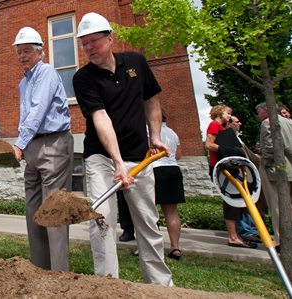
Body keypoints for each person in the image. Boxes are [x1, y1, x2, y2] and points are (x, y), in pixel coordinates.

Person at [72, 12, 173, 286]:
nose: (89, 48)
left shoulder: (136, 62)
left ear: (110, 38)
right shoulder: (83, 78)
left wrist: (156, 136)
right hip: (102, 158)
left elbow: (151, 100)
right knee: (102, 219)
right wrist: (117, 162)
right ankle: (107, 284)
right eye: (84, 44)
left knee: (147, 221)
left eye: (95, 41)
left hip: (139, 156)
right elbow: (101, 118)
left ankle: (161, 285)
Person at [11, 27, 73, 271]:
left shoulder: (46, 72)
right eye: (19, 52)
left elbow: (38, 110)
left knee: (54, 210)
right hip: (33, 147)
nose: (22, 56)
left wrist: (19, 143)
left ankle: (59, 277)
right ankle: (39, 271)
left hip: (54, 143)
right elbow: (26, 115)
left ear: (39, 53)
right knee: (33, 211)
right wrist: (23, 143)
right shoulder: (22, 85)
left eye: (27, 51)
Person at [205, 105, 256, 248]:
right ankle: (233, 237)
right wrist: (232, 150)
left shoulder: (221, 127)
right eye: (228, 113)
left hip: (228, 168)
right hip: (222, 168)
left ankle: (239, 234)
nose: (229, 116)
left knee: (235, 199)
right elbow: (209, 145)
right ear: (220, 113)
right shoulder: (214, 125)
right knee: (230, 199)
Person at [257, 102, 292, 251]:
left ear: (267, 110)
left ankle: (282, 240)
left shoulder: (268, 123)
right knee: (290, 204)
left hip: (276, 170)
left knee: (277, 205)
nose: (258, 115)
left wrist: (264, 162)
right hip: (291, 168)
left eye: (259, 111)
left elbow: (271, 146)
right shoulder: (290, 122)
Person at [152, 107, 185, 260]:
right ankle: (175, 247)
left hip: (155, 170)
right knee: (171, 212)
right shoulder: (173, 133)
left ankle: (151, 247)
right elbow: (177, 155)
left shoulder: (149, 130)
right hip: (173, 170)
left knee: (150, 211)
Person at [226, 116, 261, 243]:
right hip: (237, 174)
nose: (240, 123)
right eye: (236, 122)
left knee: (248, 201)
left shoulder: (238, 139)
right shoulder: (228, 137)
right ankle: (246, 231)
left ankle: (252, 230)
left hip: (247, 174)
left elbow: (249, 155)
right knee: (240, 202)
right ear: (229, 124)